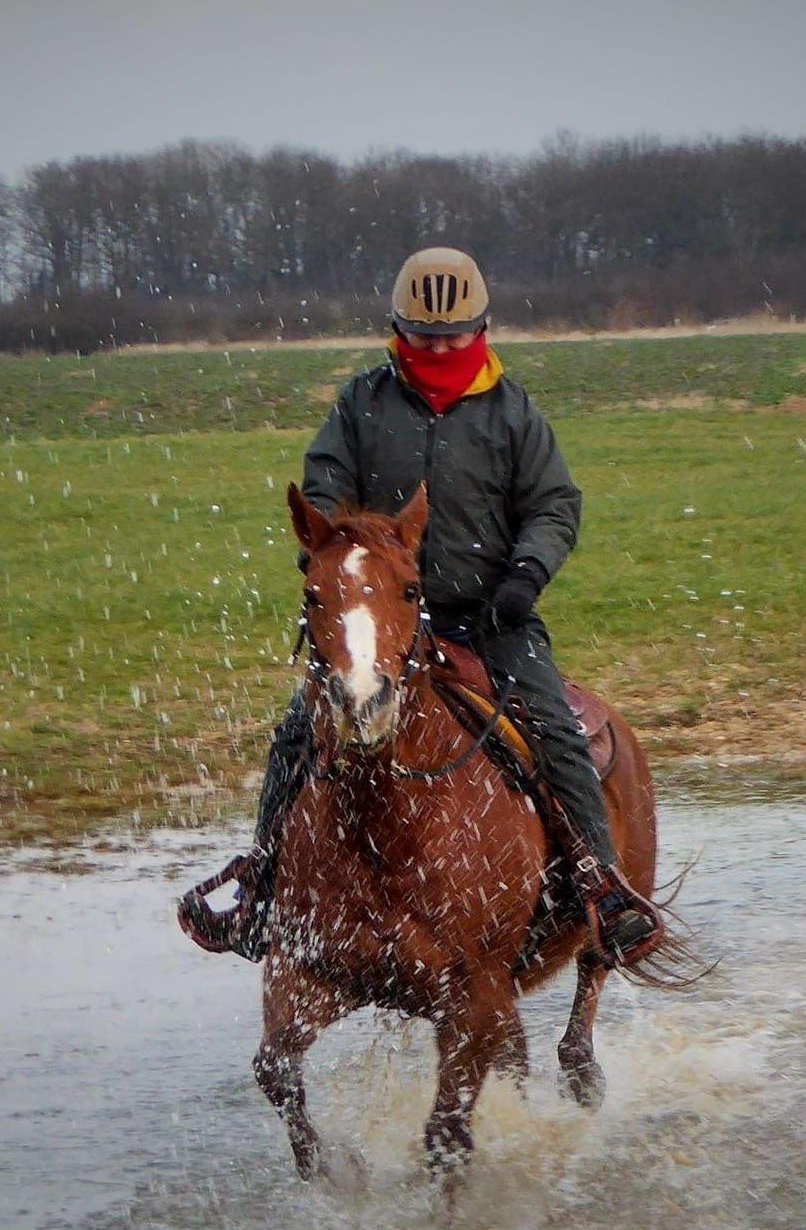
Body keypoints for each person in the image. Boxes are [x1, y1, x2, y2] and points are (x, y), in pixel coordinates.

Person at [181, 247, 663, 965]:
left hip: (490, 617)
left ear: (482, 328)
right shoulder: (362, 402)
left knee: (558, 732)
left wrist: (524, 576)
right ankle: (265, 888)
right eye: (424, 336)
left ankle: (600, 887)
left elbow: (554, 505)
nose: (439, 348)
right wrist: (333, 560)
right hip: (379, 623)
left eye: (454, 335)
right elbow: (322, 486)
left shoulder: (512, 412)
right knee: (295, 734)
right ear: (397, 330)